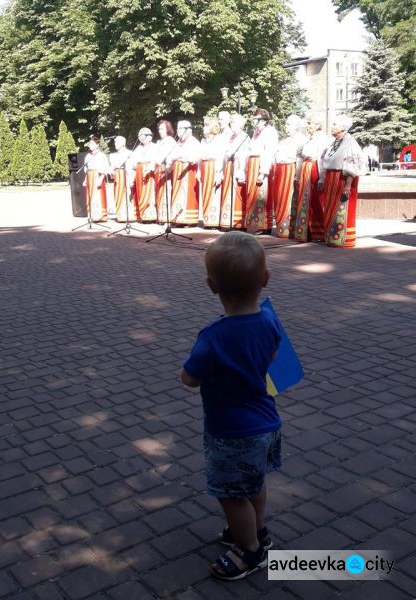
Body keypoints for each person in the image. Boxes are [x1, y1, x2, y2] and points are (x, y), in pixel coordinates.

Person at [181, 231, 282, 581]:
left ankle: (249, 550)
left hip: (231, 433)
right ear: (265, 279)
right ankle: (259, 531)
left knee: (231, 495)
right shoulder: (269, 320)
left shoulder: (213, 337)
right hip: (267, 424)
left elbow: (189, 378)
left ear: (211, 285)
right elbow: (272, 359)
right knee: (253, 483)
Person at [318, 114, 365, 248]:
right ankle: (331, 237)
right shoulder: (334, 143)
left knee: (342, 209)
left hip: (342, 179)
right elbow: (325, 161)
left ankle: (343, 239)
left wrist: (348, 185)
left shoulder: (350, 142)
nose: (332, 127)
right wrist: (322, 179)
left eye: (334, 125)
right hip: (331, 179)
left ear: (343, 127)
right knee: (330, 208)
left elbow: (353, 163)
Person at [294, 117, 332, 243]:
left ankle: (319, 231)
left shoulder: (323, 139)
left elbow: (323, 159)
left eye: (310, 124)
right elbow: (300, 156)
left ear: (317, 125)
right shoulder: (308, 140)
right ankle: (307, 231)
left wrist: (322, 177)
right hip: (306, 168)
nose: (308, 126)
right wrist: (298, 175)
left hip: (314, 168)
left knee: (316, 200)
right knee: (305, 201)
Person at [271, 114, 307, 239]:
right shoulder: (284, 140)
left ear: (296, 126)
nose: (286, 127)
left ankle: (289, 229)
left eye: (289, 124)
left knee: (289, 199)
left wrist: (297, 175)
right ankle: (281, 227)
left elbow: (299, 158)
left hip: (290, 169)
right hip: (280, 170)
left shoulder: (301, 139)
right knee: (280, 198)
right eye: (286, 124)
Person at [245, 108, 278, 234]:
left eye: (257, 119)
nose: (255, 122)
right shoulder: (255, 132)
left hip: (261, 164)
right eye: (254, 119)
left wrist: (263, 172)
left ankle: (265, 225)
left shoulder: (270, 132)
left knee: (262, 194)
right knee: (253, 193)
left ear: (264, 120)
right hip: (253, 164)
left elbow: (269, 151)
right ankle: (256, 223)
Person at [167, 120, 200, 226]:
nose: (178, 131)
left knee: (187, 194)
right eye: (177, 128)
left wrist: (183, 157)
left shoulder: (193, 142)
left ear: (188, 130)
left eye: (180, 128)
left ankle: (189, 220)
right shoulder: (177, 143)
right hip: (177, 172)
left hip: (188, 171)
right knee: (177, 194)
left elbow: (196, 157)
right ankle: (178, 218)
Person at [220, 113, 249, 229]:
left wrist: (241, 170)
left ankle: (238, 223)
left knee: (237, 194)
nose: (232, 124)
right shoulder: (231, 136)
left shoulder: (244, 136)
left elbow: (245, 154)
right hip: (229, 165)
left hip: (238, 166)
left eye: (234, 122)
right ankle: (228, 221)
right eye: (231, 122)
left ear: (240, 124)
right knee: (228, 193)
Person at [129, 127, 157, 222]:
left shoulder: (154, 146)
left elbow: (156, 160)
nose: (142, 138)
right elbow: (133, 162)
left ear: (150, 137)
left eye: (144, 136)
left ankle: (151, 216)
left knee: (150, 193)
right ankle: (143, 215)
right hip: (139, 172)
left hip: (149, 172)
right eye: (140, 136)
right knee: (141, 193)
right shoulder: (138, 148)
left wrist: (150, 167)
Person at [200, 117, 223, 228]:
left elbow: (220, 157)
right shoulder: (204, 140)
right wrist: (199, 171)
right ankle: (206, 219)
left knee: (213, 193)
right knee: (205, 193)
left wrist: (218, 173)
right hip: (204, 166)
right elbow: (200, 157)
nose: (204, 127)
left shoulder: (218, 139)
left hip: (213, 166)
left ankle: (213, 220)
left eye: (206, 125)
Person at [83, 135, 110, 222]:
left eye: (92, 143)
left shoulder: (101, 155)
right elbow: (86, 169)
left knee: (99, 196)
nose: (90, 145)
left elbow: (105, 168)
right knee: (90, 196)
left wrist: (101, 179)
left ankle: (101, 216)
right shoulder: (88, 156)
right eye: (89, 144)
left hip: (98, 176)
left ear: (97, 144)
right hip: (90, 177)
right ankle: (92, 214)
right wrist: (85, 179)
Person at [155, 120, 176, 223]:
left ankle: (167, 216)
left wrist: (166, 167)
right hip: (158, 168)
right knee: (159, 192)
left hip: (166, 167)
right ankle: (160, 215)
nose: (160, 131)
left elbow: (165, 155)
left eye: (162, 128)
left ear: (167, 129)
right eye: (159, 129)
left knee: (166, 191)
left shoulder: (170, 140)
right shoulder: (159, 142)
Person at [109, 135, 134, 222]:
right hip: (117, 177)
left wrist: (131, 179)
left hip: (126, 175)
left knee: (127, 195)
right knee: (118, 194)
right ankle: (120, 215)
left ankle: (128, 216)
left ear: (123, 143)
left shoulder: (129, 153)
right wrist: (111, 171)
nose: (115, 143)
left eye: (117, 142)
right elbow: (111, 167)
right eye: (115, 142)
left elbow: (131, 167)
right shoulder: (112, 155)